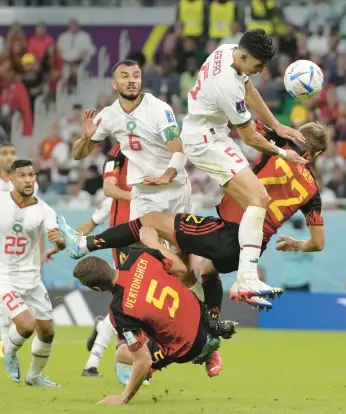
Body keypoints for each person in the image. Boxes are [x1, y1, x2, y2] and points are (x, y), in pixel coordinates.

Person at [58, 121, 328, 312]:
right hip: (251, 248)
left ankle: (83, 244)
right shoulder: (313, 191)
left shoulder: (278, 143)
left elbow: (244, 124)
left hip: (229, 231)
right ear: (315, 155)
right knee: (202, 271)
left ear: (297, 136)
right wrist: (297, 244)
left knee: (148, 221)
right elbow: (318, 242)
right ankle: (211, 327)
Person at [179, 28, 308, 300]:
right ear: (246, 56)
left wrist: (276, 125)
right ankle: (245, 278)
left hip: (211, 133)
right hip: (205, 141)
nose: (259, 72)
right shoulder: (226, 84)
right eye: (258, 66)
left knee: (254, 202)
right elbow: (250, 137)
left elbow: (248, 88)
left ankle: (242, 278)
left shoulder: (227, 51)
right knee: (259, 197)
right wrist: (284, 154)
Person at [71, 227, 237, 405]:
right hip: (201, 311)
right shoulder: (138, 257)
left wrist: (123, 398)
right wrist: (153, 243)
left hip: (189, 347)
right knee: (205, 274)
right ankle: (213, 326)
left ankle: (203, 348)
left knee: (122, 353)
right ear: (105, 264)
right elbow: (181, 269)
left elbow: (143, 360)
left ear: (96, 289)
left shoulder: (119, 310)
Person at [0, 159, 65, 386]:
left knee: (47, 332)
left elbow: (56, 238)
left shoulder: (44, 210)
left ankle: (34, 376)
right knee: (26, 325)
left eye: (31, 175)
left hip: (32, 279)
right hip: (4, 278)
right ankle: (9, 351)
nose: (28, 180)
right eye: (23, 175)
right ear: (11, 179)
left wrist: (59, 244)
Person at [0, 143, 40, 358]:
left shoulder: (29, 184)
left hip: (20, 251)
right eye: (4, 153)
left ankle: (6, 341)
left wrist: (39, 254)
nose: (9, 157)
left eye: (12, 153)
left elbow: (36, 221)